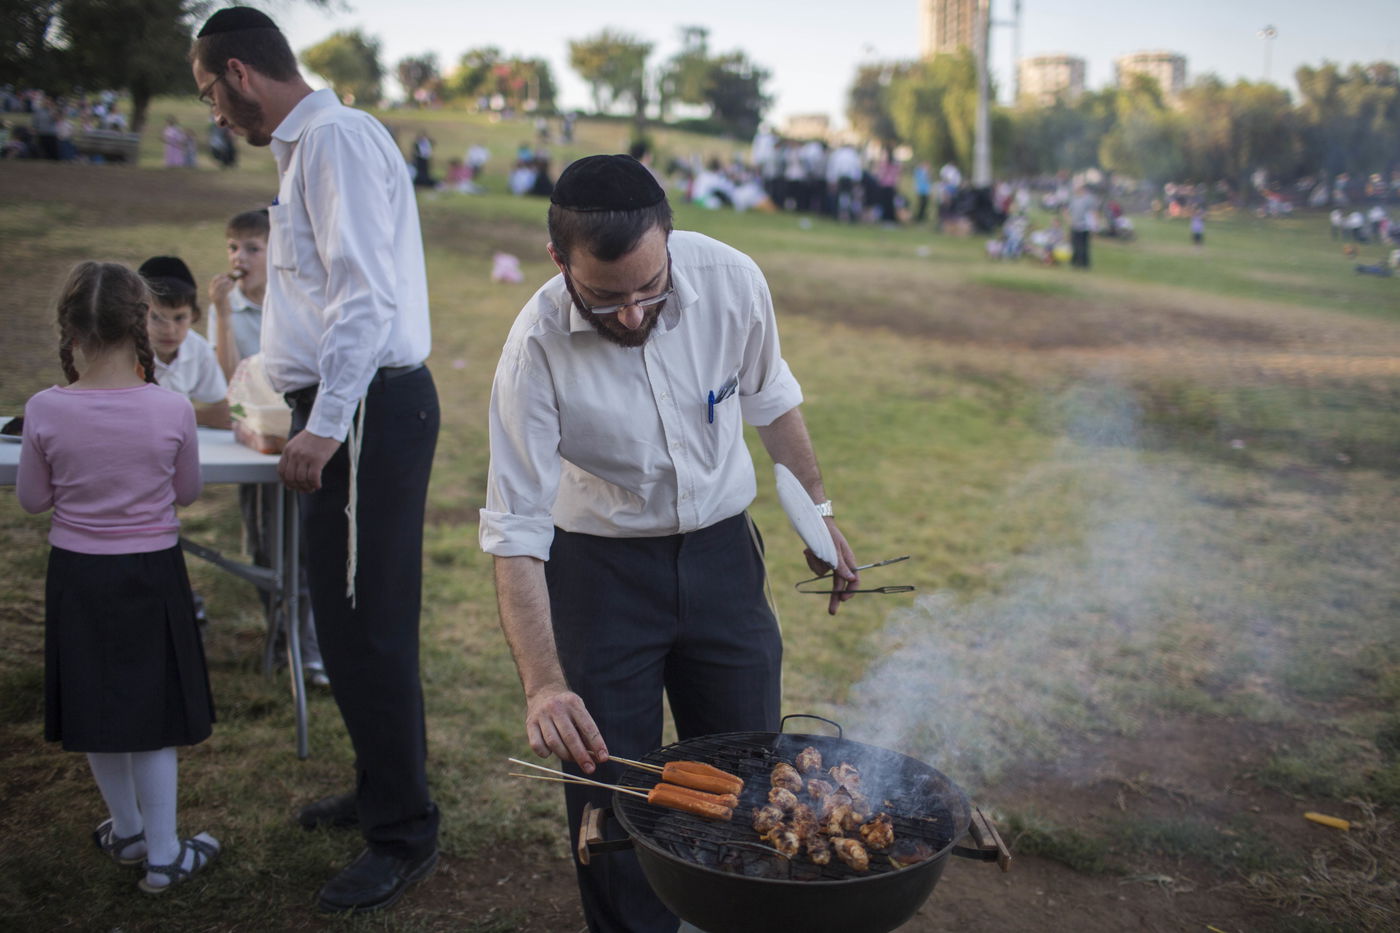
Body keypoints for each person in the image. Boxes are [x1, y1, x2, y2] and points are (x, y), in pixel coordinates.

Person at [480, 154, 860, 933]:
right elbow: (515, 529)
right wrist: (545, 684)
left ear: (670, 240)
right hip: (600, 573)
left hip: (723, 558)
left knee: (748, 768)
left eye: (650, 288)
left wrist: (816, 511)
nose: (631, 314)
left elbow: (771, 399)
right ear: (559, 261)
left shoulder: (732, 281)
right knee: (613, 789)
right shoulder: (534, 347)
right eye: (604, 296)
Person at [192, 7, 440, 913]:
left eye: (208, 92)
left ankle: (404, 831)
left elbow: (364, 298)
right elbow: (313, 300)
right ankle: (381, 790)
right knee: (343, 620)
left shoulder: (335, 139)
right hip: (341, 407)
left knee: (368, 624)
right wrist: (280, 400)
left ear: (239, 73)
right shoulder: (303, 151)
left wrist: (327, 423)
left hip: (367, 410)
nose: (212, 112)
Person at [16, 261, 220, 894]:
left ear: (71, 331)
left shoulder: (43, 409)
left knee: (94, 700)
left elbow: (32, 500)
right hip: (152, 574)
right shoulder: (172, 408)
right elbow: (187, 492)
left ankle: (129, 831)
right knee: (153, 712)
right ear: (140, 324)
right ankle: (163, 854)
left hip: (77, 576)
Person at [207, 209, 327, 687]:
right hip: (252, 439)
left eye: (252, 248)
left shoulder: (291, 302)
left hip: (295, 435)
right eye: (233, 248)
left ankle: (308, 648)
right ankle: (281, 639)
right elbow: (228, 383)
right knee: (262, 544)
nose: (240, 257)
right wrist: (220, 314)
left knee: (301, 547)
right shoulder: (229, 310)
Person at [139, 256, 229, 428]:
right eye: (156, 318)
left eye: (179, 318)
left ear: (194, 315)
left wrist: (243, 414)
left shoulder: (198, 348)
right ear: (138, 315)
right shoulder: (123, 351)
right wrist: (199, 416)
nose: (169, 330)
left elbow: (226, 405)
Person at [1067, 184, 1097, 269]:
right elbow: (1069, 211)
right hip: (1075, 224)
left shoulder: (1088, 199)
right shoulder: (1074, 199)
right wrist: (1070, 221)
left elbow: (1092, 212)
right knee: (1075, 244)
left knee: (1083, 245)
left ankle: (1084, 263)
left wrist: (1094, 225)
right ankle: (1075, 261)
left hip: (1084, 225)